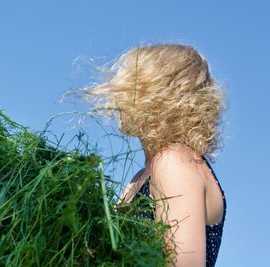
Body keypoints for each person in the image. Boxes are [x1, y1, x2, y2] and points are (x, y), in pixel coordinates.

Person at [79, 43, 228, 267]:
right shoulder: (140, 177)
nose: (118, 99)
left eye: (129, 87)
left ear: (156, 94)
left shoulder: (175, 162)